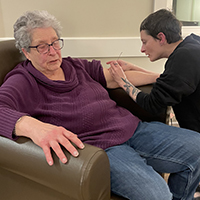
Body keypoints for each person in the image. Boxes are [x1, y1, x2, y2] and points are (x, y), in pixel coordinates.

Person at [1, 10, 200, 200]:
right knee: (159, 195)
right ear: (26, 52)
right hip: (102, 150)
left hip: (135, 129)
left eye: (55, 43)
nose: (53, 52)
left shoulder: (73, 65)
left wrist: (162, 78)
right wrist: (34, 127)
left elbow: (113, 78)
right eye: (43, 47)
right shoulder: (23, 80)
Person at [109, 8, 200, 134]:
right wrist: (134, 68)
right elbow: (168, 80)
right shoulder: (192, 46)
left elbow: (152, 104)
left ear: (161, 38)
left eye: (145, 42)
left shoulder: (184, 58)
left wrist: (122, 81)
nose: (142, 49)